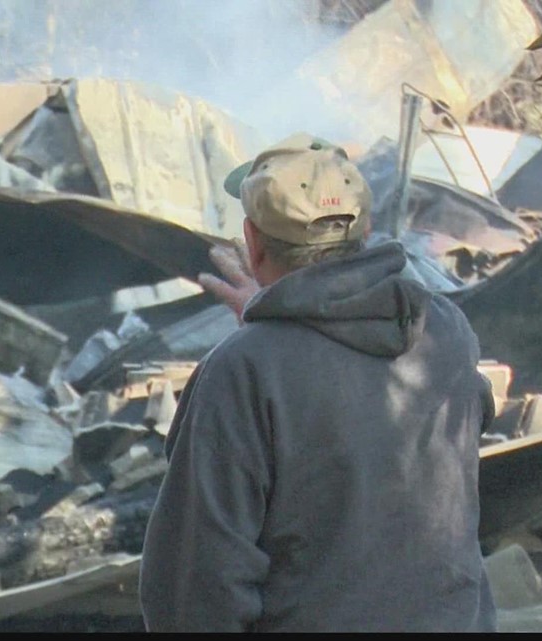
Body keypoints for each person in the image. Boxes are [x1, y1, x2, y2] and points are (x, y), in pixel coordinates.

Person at [138, 134, 496, 632]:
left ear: (254, 242)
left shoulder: (242, 371)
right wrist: (279, 326)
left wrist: (272, 334)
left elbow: (195, 588)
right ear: (365, 231)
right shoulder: (444, 330)